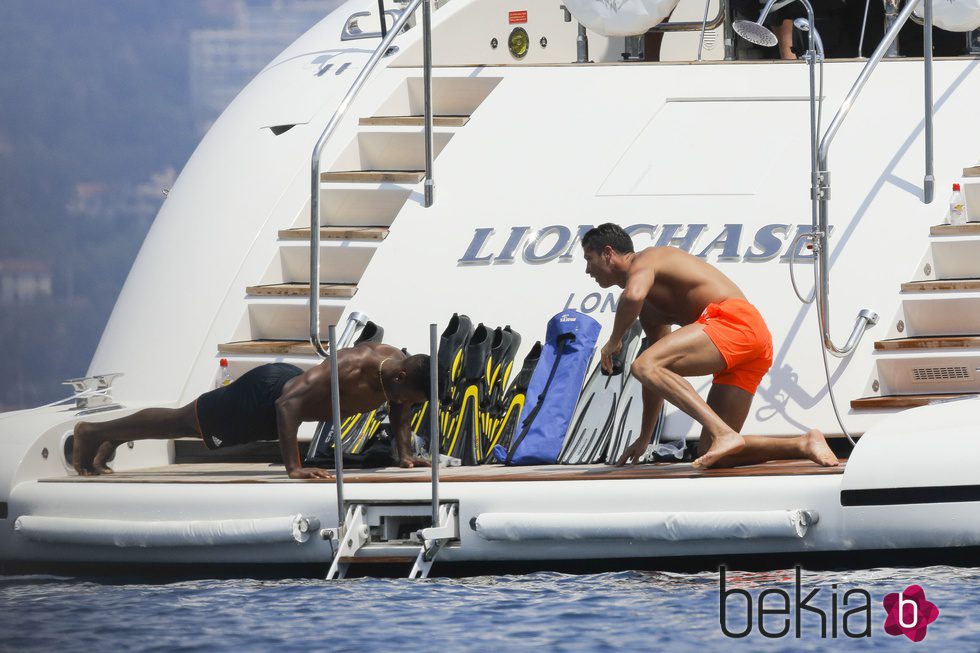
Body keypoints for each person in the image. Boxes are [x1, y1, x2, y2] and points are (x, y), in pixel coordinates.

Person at [581, 223, 839, 470]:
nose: (587, 271)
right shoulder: (650, 311)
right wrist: (645, 437)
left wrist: (614, 341)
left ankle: (723, 433)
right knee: (711, 452)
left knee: (644, 364)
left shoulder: (649, 258)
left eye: (589, 259)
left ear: (608, 254)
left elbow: (633, 295)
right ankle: (804, 444)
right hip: (747, 344)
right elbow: (654, 377)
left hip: (735, 322)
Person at [72, 343, 431, 479]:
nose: (404, 405)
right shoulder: (352, 365)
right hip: (266, 394)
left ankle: (111, 439)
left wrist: (405, 455)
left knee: (184, 424)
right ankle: (93, 432)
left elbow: (398, 407)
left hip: (283, 392)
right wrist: (295, 468)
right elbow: (288, 403)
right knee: (184, 422)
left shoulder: (395, 379)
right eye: (408, 397)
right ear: (399, 374)